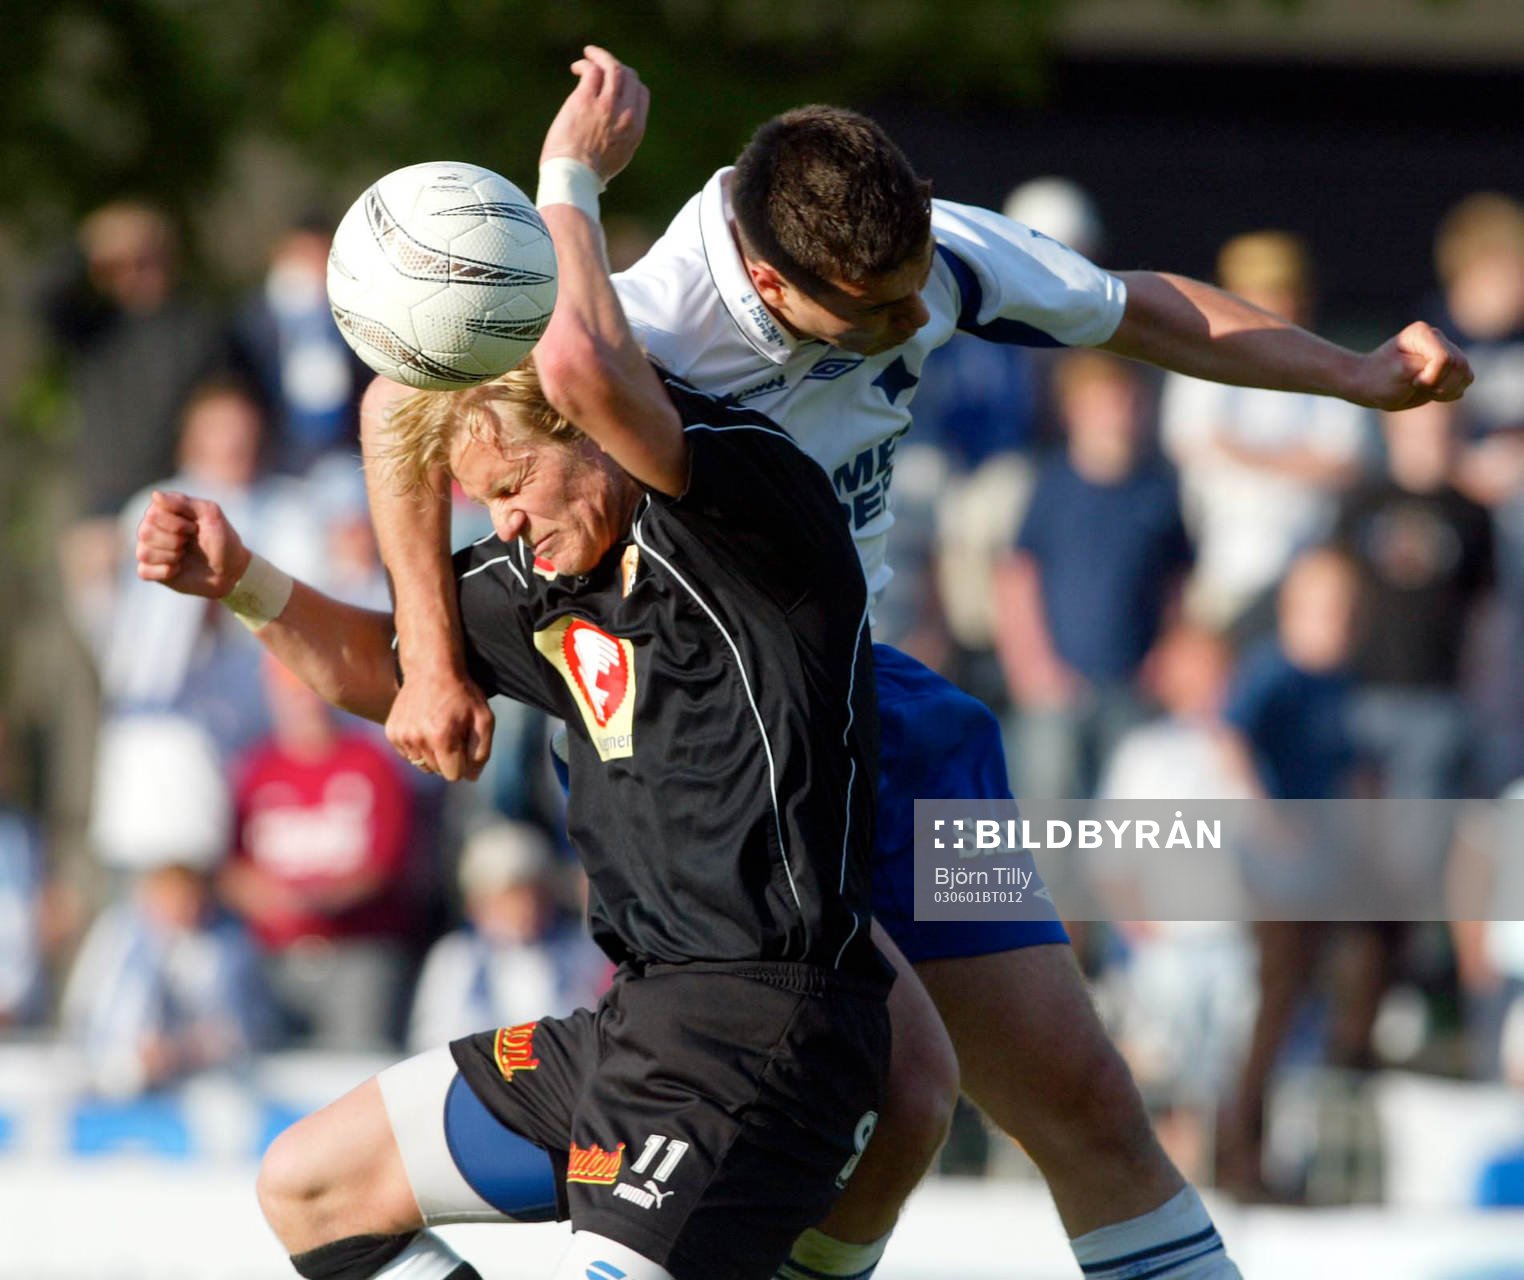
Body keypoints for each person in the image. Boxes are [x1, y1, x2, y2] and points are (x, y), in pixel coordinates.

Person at [363, 47, 1472, 1280]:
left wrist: (1350, 373)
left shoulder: (933, 251)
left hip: (903, 722)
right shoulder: (645, 316)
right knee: (901, 1096)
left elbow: (1137, 303)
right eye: (872, 311)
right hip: (753, 761)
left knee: (1084, 1097)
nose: (912, 320)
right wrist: (426, 651)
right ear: (770, 283)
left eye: (912, 290)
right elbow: (402, 407)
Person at [134, 57, 894, 1280]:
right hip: (626, 1032)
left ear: (586, 430)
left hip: (768, 1034)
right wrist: (246, 581)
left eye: (515, 490)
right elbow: (389, 668)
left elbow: (586, 361)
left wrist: (568, 177)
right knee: (312, 1182)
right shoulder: (547, 579)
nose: (508, 525)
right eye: (483, 503)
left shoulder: (750, 514)